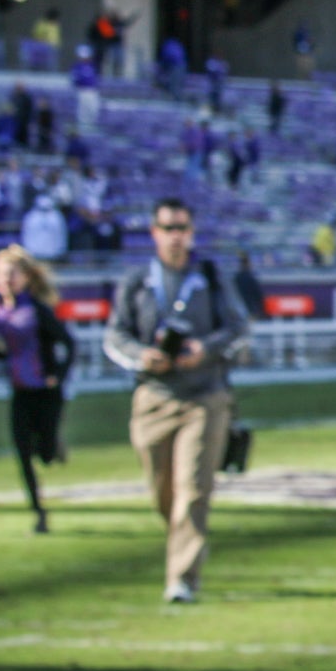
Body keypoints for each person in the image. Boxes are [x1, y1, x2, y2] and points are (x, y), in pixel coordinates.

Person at [102, 198, 250, 603]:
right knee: (163, 491)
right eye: (168, 228)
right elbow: (114, 336)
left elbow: (239, 327)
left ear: (192, 232)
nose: (175, 236)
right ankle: (188, 537)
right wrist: (140, 356)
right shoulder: (137, 281)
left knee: (194, 488)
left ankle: (182, 579)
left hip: (204, 395)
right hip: (153, 396)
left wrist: (206, 349)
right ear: (154, 233)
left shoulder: (210, 277)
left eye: (182, 227)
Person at [0, 246, 74, 535]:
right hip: (20, 392)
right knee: (22, 453)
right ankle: (39, 513)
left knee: (44, 454)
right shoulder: (0, 312)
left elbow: (68, 344)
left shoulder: (37, 309)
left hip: (45, 393)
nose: (6, 280)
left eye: (11, 274)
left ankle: (52, 444)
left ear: (25, 277)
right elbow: (6, 353)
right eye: (0, 275)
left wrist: (56, 376)